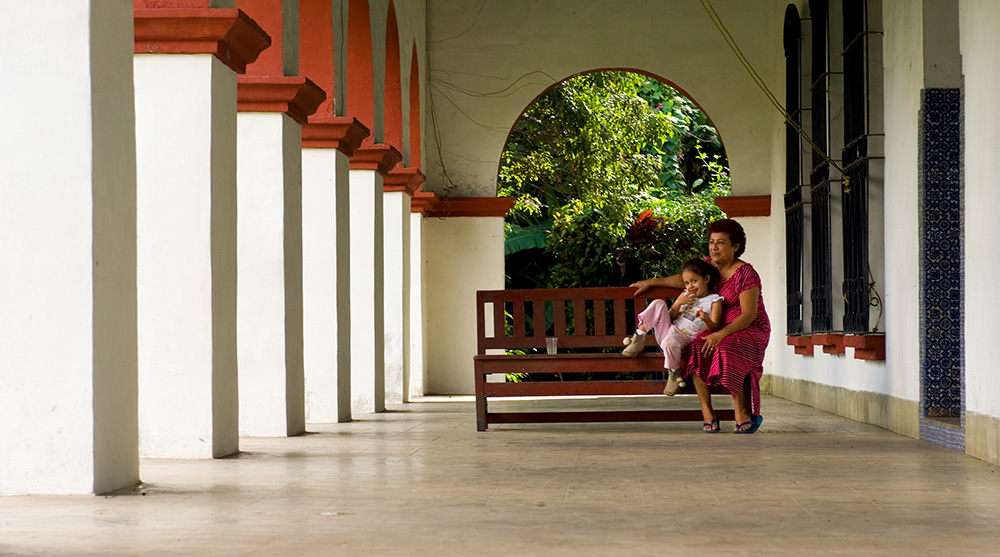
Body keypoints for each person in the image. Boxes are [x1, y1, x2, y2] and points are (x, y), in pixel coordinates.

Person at [631, 219, 770, 434]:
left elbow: (749, 315)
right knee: (697, 347)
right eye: (711, 241)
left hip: (748, 330)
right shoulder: (709, 266)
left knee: (726, 347)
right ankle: (707, 412)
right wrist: (653, 282)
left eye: (721, 242)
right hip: (713, 328)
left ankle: (741, 410)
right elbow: (683, 279)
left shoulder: (745, 273)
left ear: (735, 246)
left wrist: (721, 333)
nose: (714, 247)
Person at [621, 258, 724, 398]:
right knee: (658, 303)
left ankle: (674, 374)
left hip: (682, 339)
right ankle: (638, 337)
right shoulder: (685, 295)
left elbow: (715, 328)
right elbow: (668, 317)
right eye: (687, 283)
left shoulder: (714, 301)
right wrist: (678, 304)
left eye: (694, 281)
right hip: (667, 331)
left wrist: (706, 319)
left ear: (706, 278)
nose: (690, 286)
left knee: (669, 343)